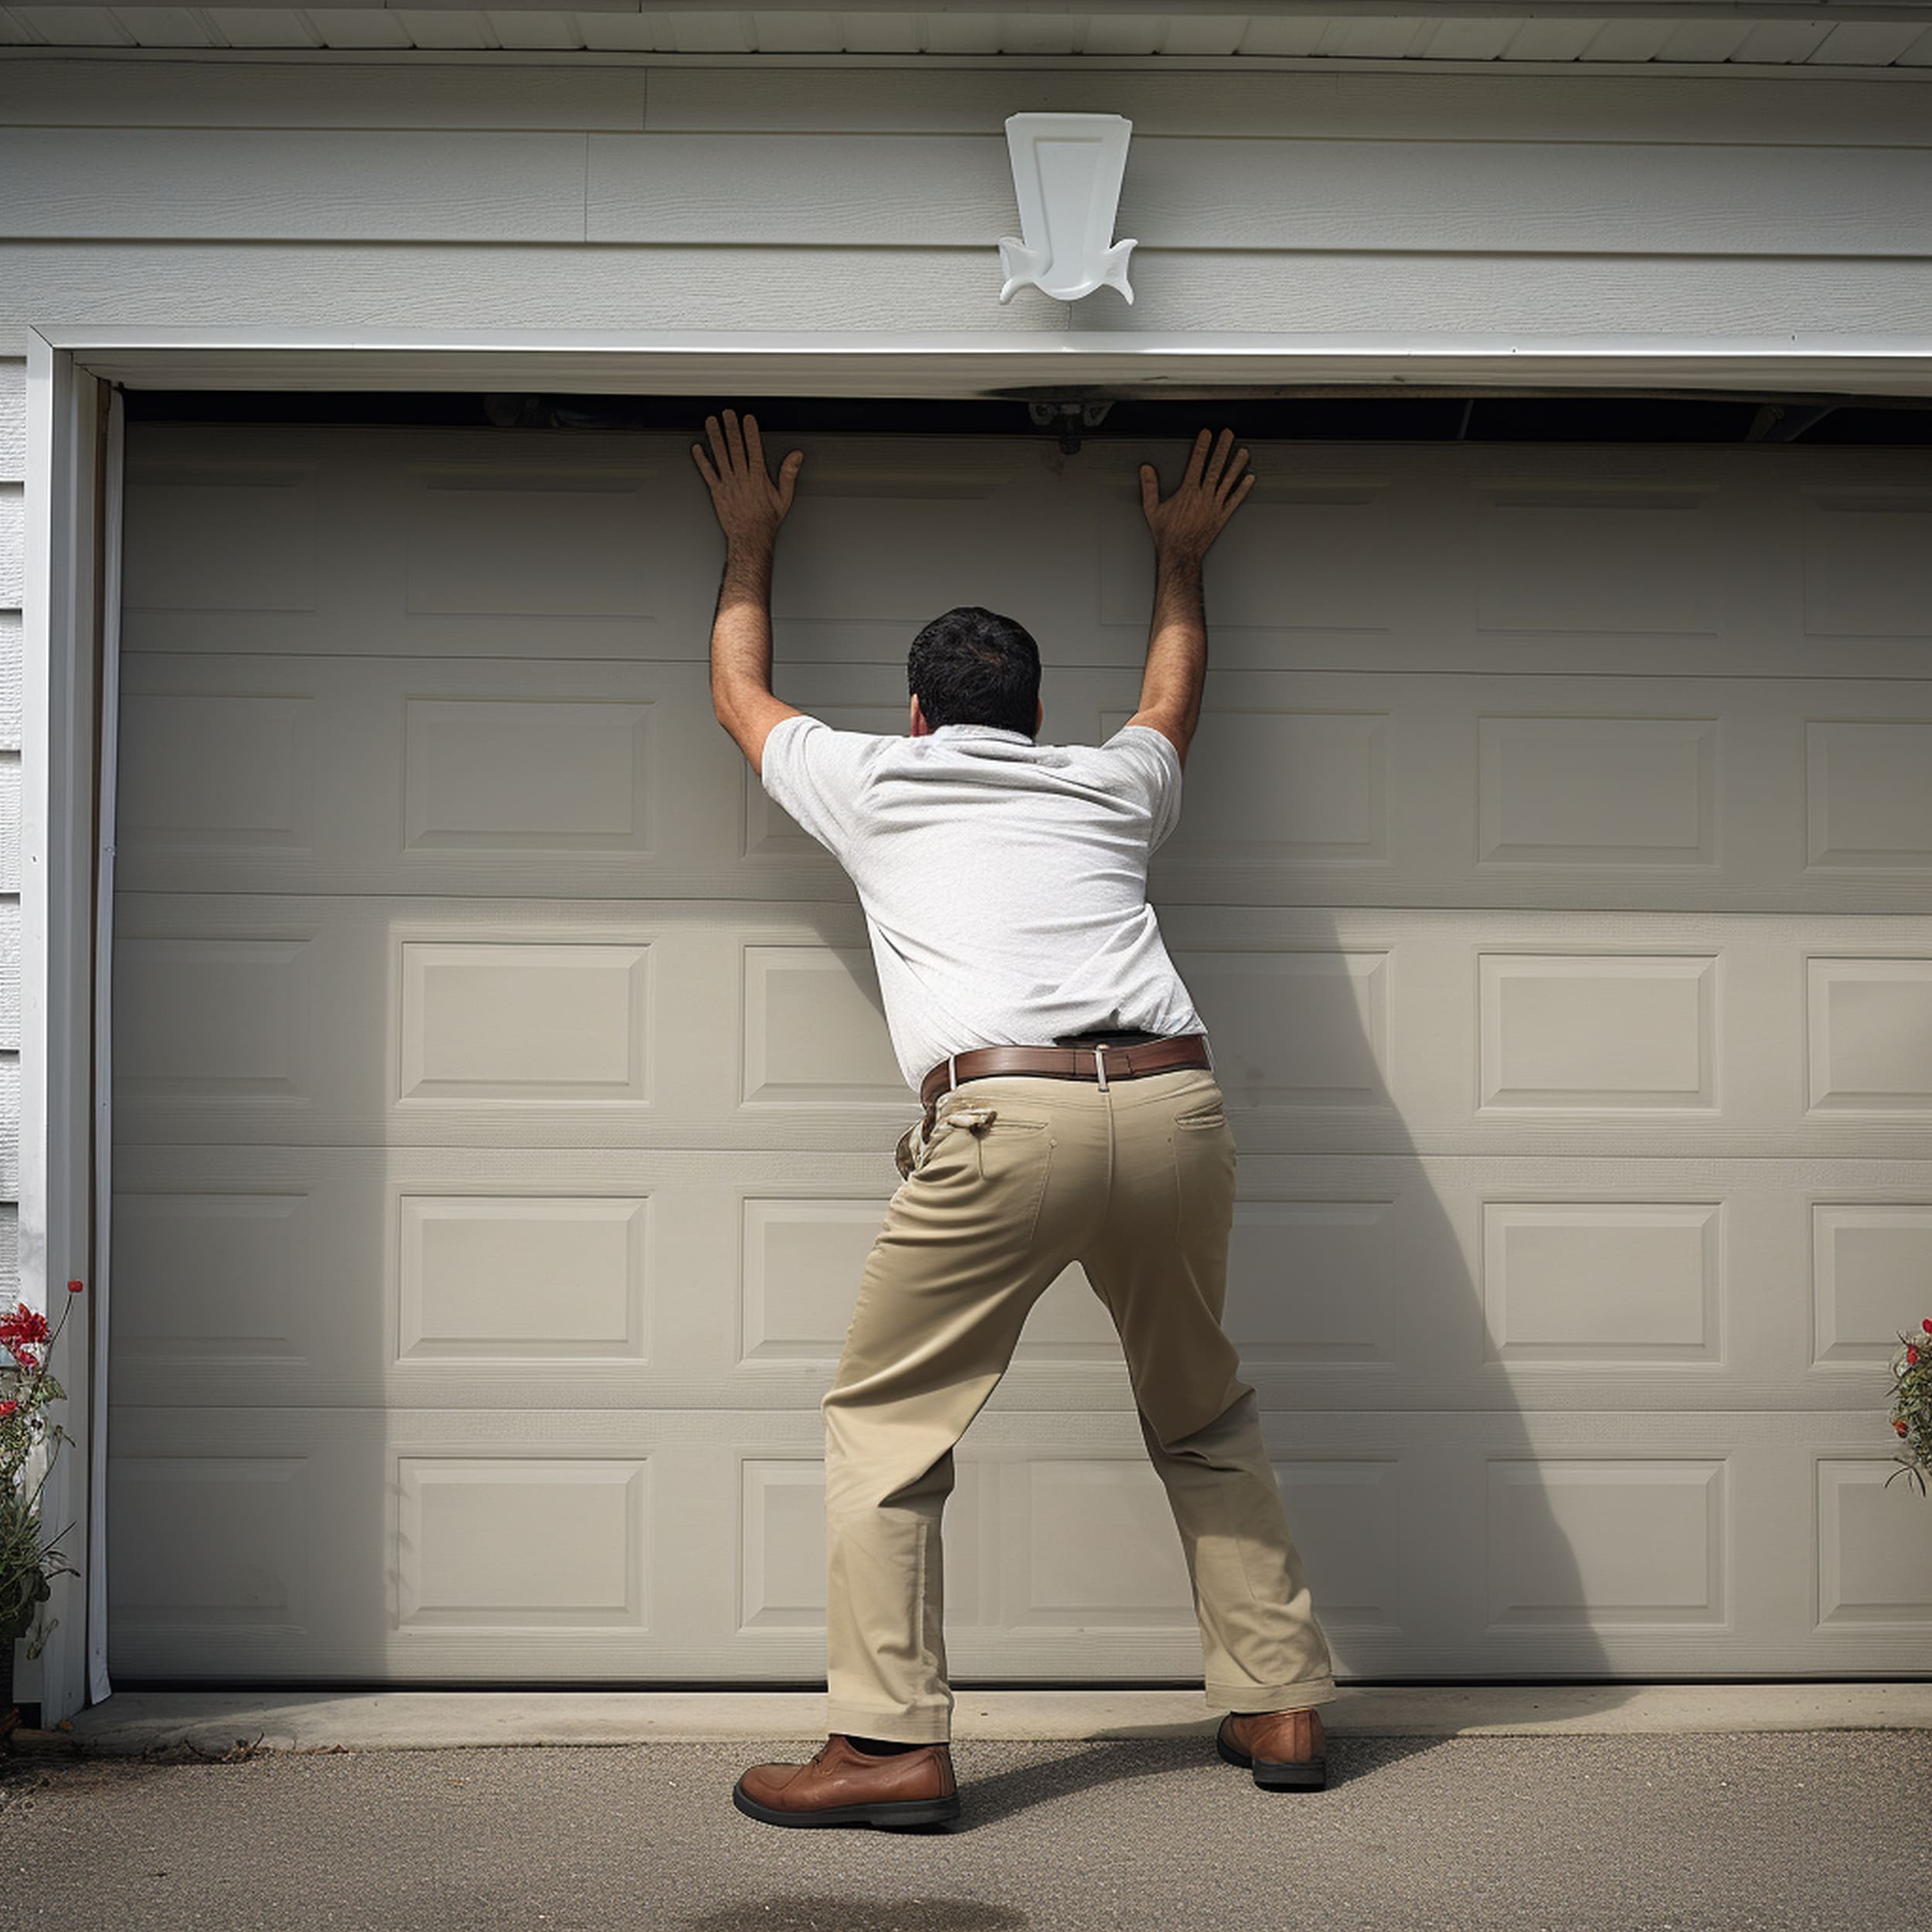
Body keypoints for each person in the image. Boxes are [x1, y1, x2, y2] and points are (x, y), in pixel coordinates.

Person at [693, 409, 1336, 1830]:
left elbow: (740, 689)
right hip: (1175, 1104)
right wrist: (1182, 559)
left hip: (1007, 1120)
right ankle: (1279, 1700)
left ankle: (885, 1748)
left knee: (886, 1422)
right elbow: (1172, 700)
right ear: (1039, 718)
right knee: (1202, 1407)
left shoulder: (873, 778)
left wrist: (750, 536)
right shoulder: (1107, 783)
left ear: (917, 714)